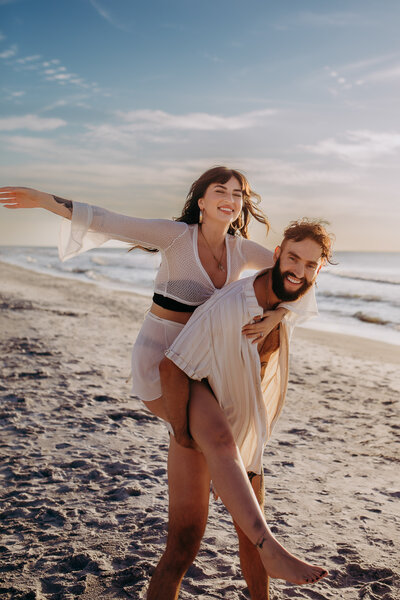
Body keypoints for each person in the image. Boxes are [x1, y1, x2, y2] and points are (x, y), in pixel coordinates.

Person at [0, 169, 325, 596]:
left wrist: (278, 315)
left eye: (237, 194)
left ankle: (258, 550)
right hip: (162, 363)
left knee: (211, 494)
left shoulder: (241, 249)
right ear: (202, 201)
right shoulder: (176, 237)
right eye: (219, 192)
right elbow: (109, 220)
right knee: (220, 445)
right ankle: (269, 546)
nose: (229, 199)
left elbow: (300, 279)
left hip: (205, 367)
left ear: (242, 205)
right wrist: (44, 199)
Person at [154, 219, 333, 599]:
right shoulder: (235, 307)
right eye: (293, 258)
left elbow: (304, 299)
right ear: (276, 256)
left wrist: (282, 314)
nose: (299, 271)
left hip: (247, 437)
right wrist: (184, 435)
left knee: (253, 537)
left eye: (311, 265)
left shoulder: (287, 298)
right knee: (183, 545)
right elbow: (171, 367)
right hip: (205, 429)